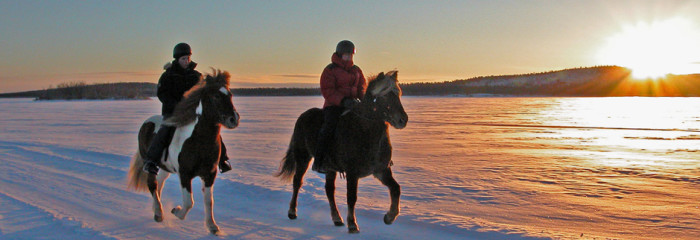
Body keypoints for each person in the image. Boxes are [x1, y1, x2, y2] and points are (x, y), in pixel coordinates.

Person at [142, 42, 232, 174]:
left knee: (212, 129)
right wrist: (177, 105)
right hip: (173, 113)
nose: (186, 61)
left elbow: (203, 93)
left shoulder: (196, 76)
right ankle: (151, 161)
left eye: (188, 58)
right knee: (165, 131)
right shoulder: (168, 76)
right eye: (183, 59)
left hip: (193, 112)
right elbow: (162, 94)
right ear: (177, 59)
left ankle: (222, 160)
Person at [312, 40, 367, 173]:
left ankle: (375, 157)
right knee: (329, 128)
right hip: (334, 106)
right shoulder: (330, 70)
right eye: (346, 55)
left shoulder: (356, 70)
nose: (349, 57)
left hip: (353, 105)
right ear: (340, 54)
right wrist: (343, 101)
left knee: (369, 122)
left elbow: (362, 87)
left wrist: (365, 100)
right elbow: (327, 90)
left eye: (350, 55)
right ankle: (319, 161)